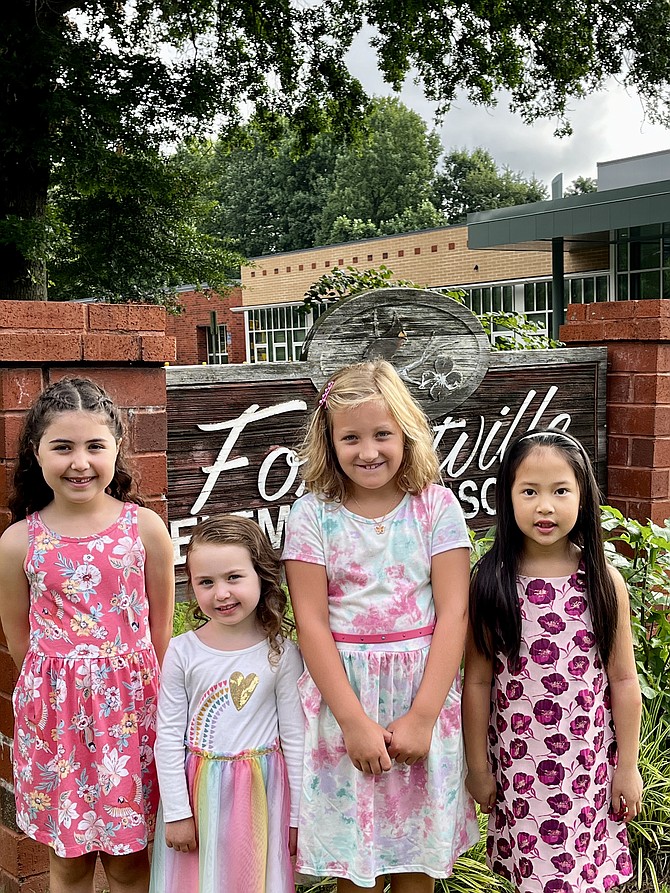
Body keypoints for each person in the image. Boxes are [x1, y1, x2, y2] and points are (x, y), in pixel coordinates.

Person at [283, 359, 479, 893]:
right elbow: (312, 623)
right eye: (351, 438)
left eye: (382, 435)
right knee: (356, 864)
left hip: (422, 693)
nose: (368, 452)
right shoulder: (311, 515)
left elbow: (453, 614)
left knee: (418, 862)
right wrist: (352, 721)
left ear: (406, 433)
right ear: (329, 441)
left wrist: (422, 716)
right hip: (346, 701)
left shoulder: (435, 508)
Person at [0, 377, 175, 893]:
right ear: (37, 452)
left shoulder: (144, 529)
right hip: (55, 721)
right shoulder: (17, 543)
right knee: (69, 862)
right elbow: (18, 638)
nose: (80, 462)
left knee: (128, 862)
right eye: (63, 447)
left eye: (95, 446)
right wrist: (62, 683)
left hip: (131, 714)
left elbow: (159, 634)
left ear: (118, 448)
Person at [464, 429, 643, 893]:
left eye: (560, 491)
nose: (545, 506)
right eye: (530, 491)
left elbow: (623, 681)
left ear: (583, 498)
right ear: (507, 497)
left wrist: (628, 765)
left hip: (587, 769)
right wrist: (479, 767)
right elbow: (479, 683)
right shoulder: (491, 581)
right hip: (521, 771)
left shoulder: (603, 582)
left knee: (582, 877)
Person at [150, 515, 304, 893]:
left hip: (263, 797)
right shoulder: (183, 652)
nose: (221, 593)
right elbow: (167, 737)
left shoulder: (281, 653)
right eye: (206, 582)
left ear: (262, 576)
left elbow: (297, 738)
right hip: (198, 796)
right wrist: (177, 813)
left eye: (234, 577)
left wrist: (299, 816)